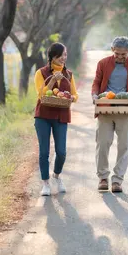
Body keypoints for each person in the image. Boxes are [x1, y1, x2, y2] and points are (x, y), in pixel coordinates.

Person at [91, 36, 128, 193]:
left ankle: (117, 180)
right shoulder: (103, 63)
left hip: (125, 109)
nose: (120, 57)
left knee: (124, 145)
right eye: (117, 53)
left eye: (123, 54)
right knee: (103, 143)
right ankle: (103, 178)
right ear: (112, 49)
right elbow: (96, 82)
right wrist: (94, 95)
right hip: (105, 107)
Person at [34, 42, 79, 196]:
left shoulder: (69, 74)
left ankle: (56, 176)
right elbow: (41, 94)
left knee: (61, 152)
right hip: (43, 116)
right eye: (60, 56)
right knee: (44, 152)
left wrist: (71, 98)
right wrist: (52, 80)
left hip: (61, 115)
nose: (63, 58)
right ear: (53, 56)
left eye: (65, 55)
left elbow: (75, 94)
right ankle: (45, 183)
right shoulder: (40, 73)